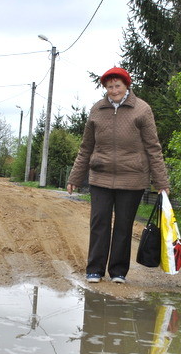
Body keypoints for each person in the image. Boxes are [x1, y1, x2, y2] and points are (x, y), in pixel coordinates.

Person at [66, 67, 170, 284]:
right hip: (100, 176)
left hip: (132, 178)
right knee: (99, 223)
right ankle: (94, 269)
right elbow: (86, 147)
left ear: (126, 86)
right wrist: (75, 177)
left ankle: (118, 272)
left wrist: (161, 182)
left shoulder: (142, 110)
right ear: (105, 87)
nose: (113, 90)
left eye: (117, 85)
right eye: (109, 86)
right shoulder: (97, 110)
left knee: (123, 225)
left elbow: (153, 147)